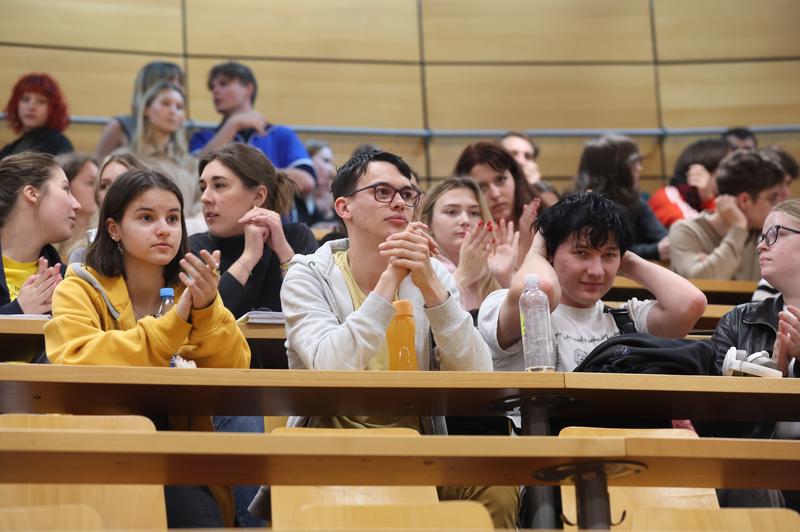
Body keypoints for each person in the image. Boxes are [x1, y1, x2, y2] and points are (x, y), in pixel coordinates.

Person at [249, 150, 518, 528]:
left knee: (497, 486)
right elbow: (331, 367)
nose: (399, 202)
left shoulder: (432, 276)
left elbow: (479, 374)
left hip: (417, 452)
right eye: (382, 192)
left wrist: (431, 288)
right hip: (329, 453)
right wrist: (391, 278)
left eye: (408, 195)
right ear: (344, 206)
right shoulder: (308, 276)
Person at [44, 169, 250, 527]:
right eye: (146, 218)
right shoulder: (78, 286)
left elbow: (235, 369)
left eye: (173, 218)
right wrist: (174, 324)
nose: (164, 229)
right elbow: (74, 359)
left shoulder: (192, 291)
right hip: (102, 448)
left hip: (182, 449)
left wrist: (206, 309)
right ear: (113, 229)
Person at [478, 192, 706, 373]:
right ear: (550, 252)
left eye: (608, 256)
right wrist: (537, 252)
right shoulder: (501, 305)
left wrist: (624, 257)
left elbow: (690, 303)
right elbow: (543, 291)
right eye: (582, 253)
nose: (597, 271)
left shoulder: (627, 320)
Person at [191, 142, 318, 317]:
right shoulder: (197, 247)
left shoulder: (296, 237)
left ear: (258, 196)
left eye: (219, 186)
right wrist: (249, 256)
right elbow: (209, 317)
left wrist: (284, 252)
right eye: (203, 188)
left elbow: (315, 310)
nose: (205, 198)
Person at [188, 61, 315, 199]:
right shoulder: (202, 137)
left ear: (248, 89)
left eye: (224, 84)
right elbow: (192, 178)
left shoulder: (281, 135)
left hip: (275, 218)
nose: (215, 91)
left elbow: (306, 182)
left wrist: (250, 171)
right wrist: (233, 124)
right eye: (212, 87)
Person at [669, 150, 785, 280]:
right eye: (772, 198)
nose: (777, 206)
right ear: (744, 200)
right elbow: (703, 283)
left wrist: (714, 264)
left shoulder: (768, 234)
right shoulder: (686, 231)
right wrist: (738, 229)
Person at [419, 177, 516, 311]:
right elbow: (425, 327)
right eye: (452, 212)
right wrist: (463, 275)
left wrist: (506, 280)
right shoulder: (419, 270)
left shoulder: (493, 267)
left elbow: (523, 326)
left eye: (474, 213)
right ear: (428, 223)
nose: (465, 220)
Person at [0, 152, 78, 315]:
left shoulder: (69, 279)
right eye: (65, 189)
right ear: (32, 193)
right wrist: (17, 311)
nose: (77, 204)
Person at [574, 134, 669, 261]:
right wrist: (654, 251)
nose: (639, 168)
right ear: (613, 168)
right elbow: (602, 249)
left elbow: (662, 237)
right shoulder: (581, 206)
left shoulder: (635, 201)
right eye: (633, 163)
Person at [129, 80, 203, 234]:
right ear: (147, 109)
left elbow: (203, 204)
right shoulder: (127, 158)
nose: (173, 111)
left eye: (179, 107)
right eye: (165, 103)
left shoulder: (192, 164)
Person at [454, 141, 540, 266]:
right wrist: (523, 247)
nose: (495, 194)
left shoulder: (545, 222)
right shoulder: (463, 234)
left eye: (501, 179)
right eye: (482, 187)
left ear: (515, 177)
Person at [95, 61, 184, 160]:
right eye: (171, 82)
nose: (178, 88)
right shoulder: (119, 126)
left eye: (179, 83)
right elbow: (99, 167)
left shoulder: (174, 126)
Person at [649, 138, 731, 228]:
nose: (733, 174)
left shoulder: (724, 197)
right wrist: (709, 199)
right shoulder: (667, 196)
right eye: (726, 168)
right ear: (698, 173)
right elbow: (693, 235)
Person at [1, 73, 73, 159]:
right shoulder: (9, 149)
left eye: (41, 101)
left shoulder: (59, 144)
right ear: (16, 105)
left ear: (53, 109)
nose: (31, 107)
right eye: (25, 99)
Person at [54, 153, 99, 263]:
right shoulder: (46, 245)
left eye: (100, 184)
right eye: (91, 183)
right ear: (66, 186)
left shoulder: (103, 238)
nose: (98, 190)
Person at [296, 139, 337, 226]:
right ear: (308, 161)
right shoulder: (294, 195)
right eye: (326, 161)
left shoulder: (331, 191)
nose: (331, 170)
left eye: (332, 164)